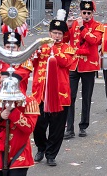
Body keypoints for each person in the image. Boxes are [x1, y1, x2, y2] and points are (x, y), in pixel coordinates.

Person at [32, 9, 75, 166]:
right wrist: (37, 51)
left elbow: (66, 63)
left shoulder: (67, 49)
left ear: (63, 35)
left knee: (57, 128)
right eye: (54, 32)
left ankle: (51, 154)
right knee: (38, 125)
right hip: (40, 93)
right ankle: (41, 148)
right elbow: (31, 63)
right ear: (49, 33)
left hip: (59, 95)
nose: (56, 36)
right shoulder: (40, 46)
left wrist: (53, 50)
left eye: (59, 33)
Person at [64, 0, 104, 139]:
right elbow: (65, 39)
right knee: (70, 96)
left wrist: (82, 28)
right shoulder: (74, 23)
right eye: (84, 12)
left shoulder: (98, 26)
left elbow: (94, 41)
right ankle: (69, 128)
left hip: (88, 66)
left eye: (88, 13)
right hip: (74, 64)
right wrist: (67, 27)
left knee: (86, 97)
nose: (86, 15)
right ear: (80, 12)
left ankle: (83, 126)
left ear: (92, 13)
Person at [0, 76, 39, 176]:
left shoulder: (30, 102)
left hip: (18, 153)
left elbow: (29, 128)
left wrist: (13, 111)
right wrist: (0, 117)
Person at [0, 25, 32, 94]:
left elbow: (21, 75)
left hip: (18, 101)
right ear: (4, 48)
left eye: (13, 47)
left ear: (18, 48)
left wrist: (6, 75)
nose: (10, 50)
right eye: (7, 47)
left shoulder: (24, 61)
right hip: (1, 101)